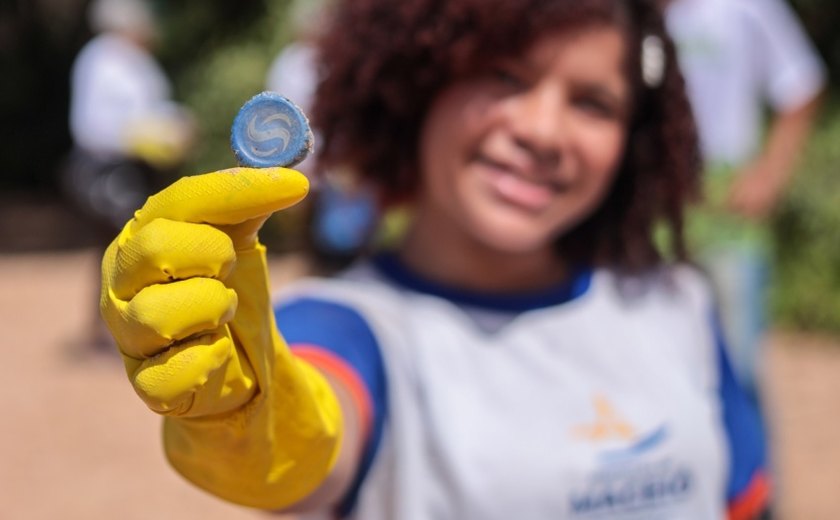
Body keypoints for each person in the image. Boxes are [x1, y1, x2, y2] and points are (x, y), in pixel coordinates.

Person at [99, 0, 771, 518]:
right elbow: (304, 433)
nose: (541, 130)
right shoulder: (349, 329)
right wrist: (242, 422)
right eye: (504, 76)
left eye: (593, 102)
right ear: (419, 85)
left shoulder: (675, 302)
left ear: (635, 139)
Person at [662, 0, 827, 398]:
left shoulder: (746, 7)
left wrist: (771, 173)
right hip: (657, 203)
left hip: (727, 202)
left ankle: (753, 461)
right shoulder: (634, 11)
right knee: (662, 361)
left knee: (739, 364)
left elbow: (802, 82)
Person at [64, 0, 193, 352]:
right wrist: (143, 135)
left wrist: (174, 125)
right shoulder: (99, 59)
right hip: (103, 168)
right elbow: (92, 126)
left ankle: (118, 326)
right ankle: (111, 328)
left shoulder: (139, 63)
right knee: (123, 247)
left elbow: (152, 109)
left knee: (121, 248)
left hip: (133, 169)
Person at [266, 0, 379, 272]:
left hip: (339, 157)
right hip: (308, 158)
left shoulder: (339, 59)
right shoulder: (294, 62)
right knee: (313, 229)